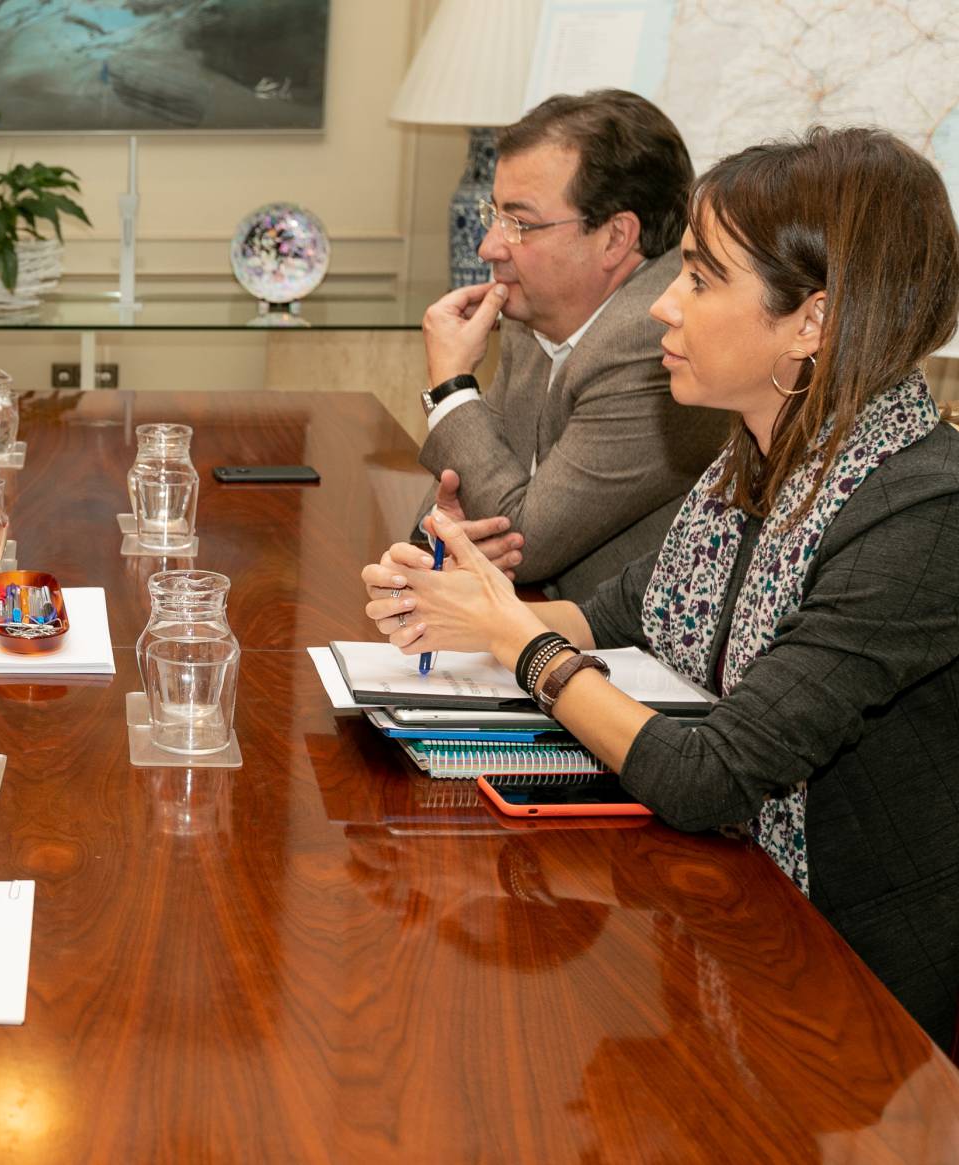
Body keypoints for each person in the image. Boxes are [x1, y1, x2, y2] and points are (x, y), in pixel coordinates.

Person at [360, 126, 959, 1048]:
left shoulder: (924, 509)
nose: (660, 310)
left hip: (858, 995)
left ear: (814, 321)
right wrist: (458, 598)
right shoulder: (751, 470)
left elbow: (710, 774)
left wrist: (514, 639)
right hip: (728, 916)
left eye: (701, 280)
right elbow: (610, 620)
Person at [417, 89, 727, 598]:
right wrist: (450, 533)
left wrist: (452, 387)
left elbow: (523, 544)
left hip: (632, 655)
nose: (489, 247)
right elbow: (464, 496)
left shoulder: (653, 338)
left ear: (614, 237)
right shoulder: (535, 314)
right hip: (539, 621)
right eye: (492, 215)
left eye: (518, 223)